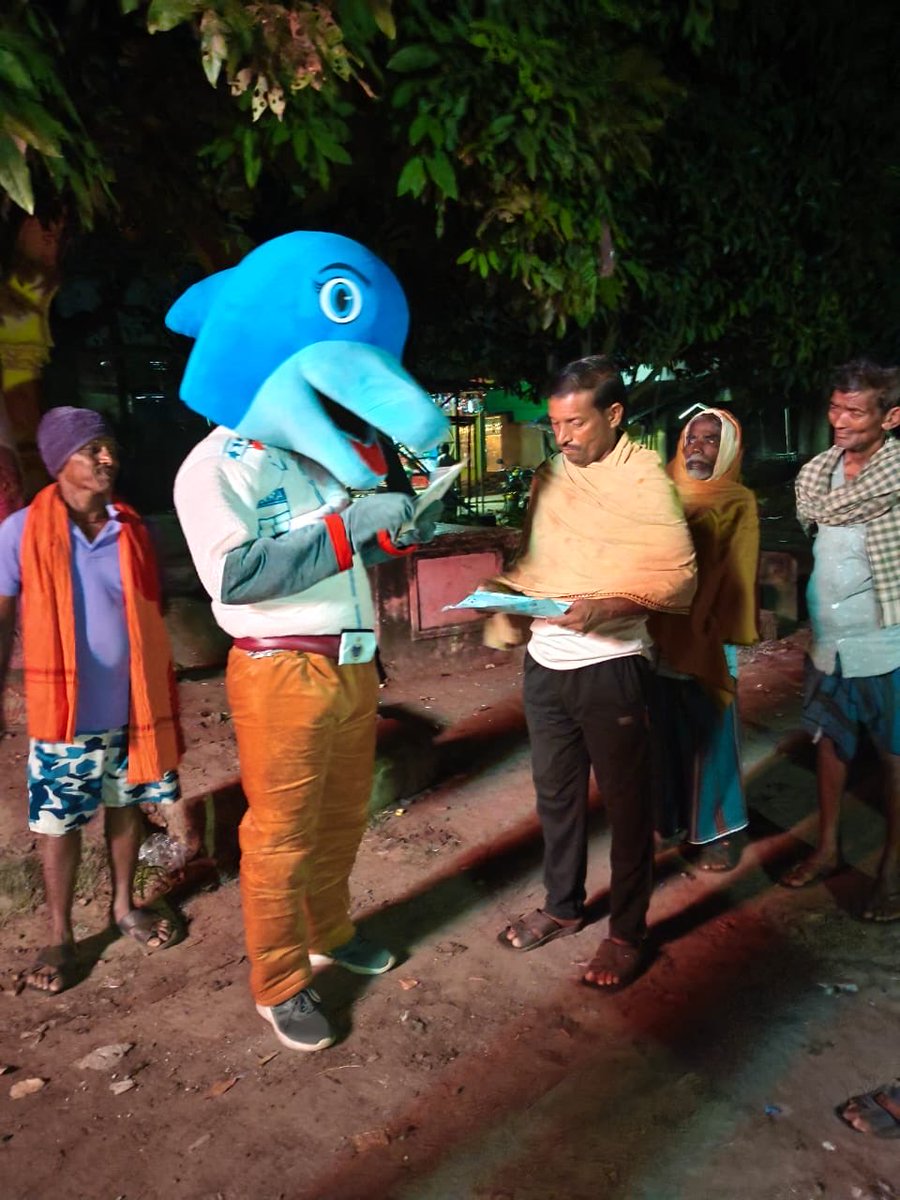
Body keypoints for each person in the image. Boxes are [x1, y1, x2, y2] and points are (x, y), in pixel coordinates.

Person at [168, 231, 448, 1053]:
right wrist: (347, 525)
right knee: (281, 834)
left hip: (350, 665)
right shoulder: (215, 464)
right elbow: (239, 575)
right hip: (280, 669)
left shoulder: (314, 458)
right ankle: (281, 980)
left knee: (339, 821)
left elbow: (346, 546)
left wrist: (393, 525)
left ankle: (332, 930)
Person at [489, 355, 696, 991]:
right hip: (546, 662)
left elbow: (677, 575)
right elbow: (534, 559)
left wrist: (606, 606)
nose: (565, 437)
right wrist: (504, 595)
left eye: (576, 423)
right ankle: (562, 905)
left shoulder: (644, 483)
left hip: (611, 666)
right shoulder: (549, 477)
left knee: (628, 807)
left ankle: (627, 933)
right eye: (556, 425)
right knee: (555, 797)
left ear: (613, 414)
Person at [0, 406, 182, 994]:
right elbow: (3, 621)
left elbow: (156, 608)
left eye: (110, 448)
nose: (109, 459)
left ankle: (124, 908)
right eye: (93, 449)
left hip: (132, 709)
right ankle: (60, 935)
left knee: (126, 811)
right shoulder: (20, 532)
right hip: (64, 713)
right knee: (59, 824)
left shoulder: (132, 529)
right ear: (59, 462)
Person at [779, 360, 900, 920]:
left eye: (855, 410)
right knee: (829, 742)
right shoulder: (816, 475)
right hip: (829, 641)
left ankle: (892, 874)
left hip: (888, 640)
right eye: (835, 407)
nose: (840, 420)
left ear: (891, 416)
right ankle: (828, 850)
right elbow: (821, 541)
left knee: (894, 755)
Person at [649, 409, 759, 871]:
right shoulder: (658, 493)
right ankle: (667, 822)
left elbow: (737, 576)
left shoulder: (737, 501)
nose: (696, 446)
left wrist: (710, 629)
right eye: (691, 437)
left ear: (729, 449)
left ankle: (718, 829)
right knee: (660, 738)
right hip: (653, 634)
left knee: (710, 736)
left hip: (708, 639)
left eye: (711, 440)